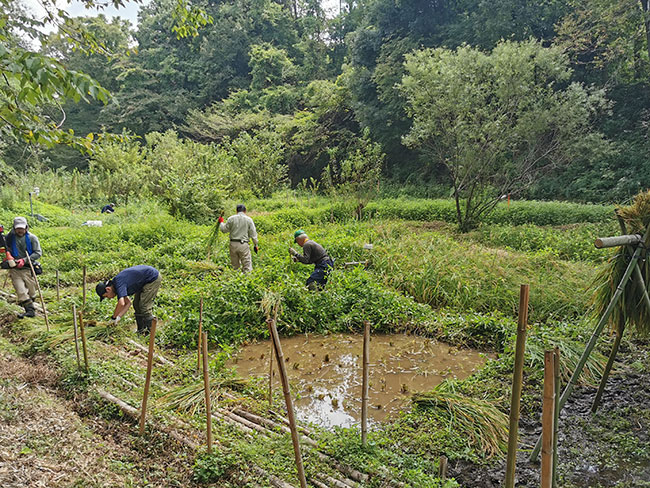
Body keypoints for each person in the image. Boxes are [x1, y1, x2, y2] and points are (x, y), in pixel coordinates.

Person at [95, 265, 161, 334]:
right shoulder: (117, 285)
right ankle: (141, 331)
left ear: (108, 289)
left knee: (144, 307)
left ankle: (150, 334)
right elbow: (128, 303)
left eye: (106, 296)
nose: (108, 298)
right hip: (143, 281)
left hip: (152, 278)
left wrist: (113, 318)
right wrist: (118, 318)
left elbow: (121, 303)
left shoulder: (118, 283)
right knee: (136, 305)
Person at [5, 217, 42, 318]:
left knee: (32, 291)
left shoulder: (32, 238)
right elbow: (5, 248)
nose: (20, 230)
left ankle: (31, 303)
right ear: (14, 228)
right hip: (15, 269)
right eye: (18, 229)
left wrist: (24, 260)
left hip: (28, 268)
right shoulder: (9, 237)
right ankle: (30, 311)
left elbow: (38, 253)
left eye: (22, 228)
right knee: (20, 290)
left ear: (26, 227)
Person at [218, 204, 258, 273]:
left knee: (235, 267)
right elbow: (253, 234)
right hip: (243, 245)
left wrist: (221, 222)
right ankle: (247, 281)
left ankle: (235, 280)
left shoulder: (231, 219)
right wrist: (255, 245)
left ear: (236, 211)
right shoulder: (249, 220)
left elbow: (224, 230)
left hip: (232, 244)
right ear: (245, 211)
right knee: (247, 266)